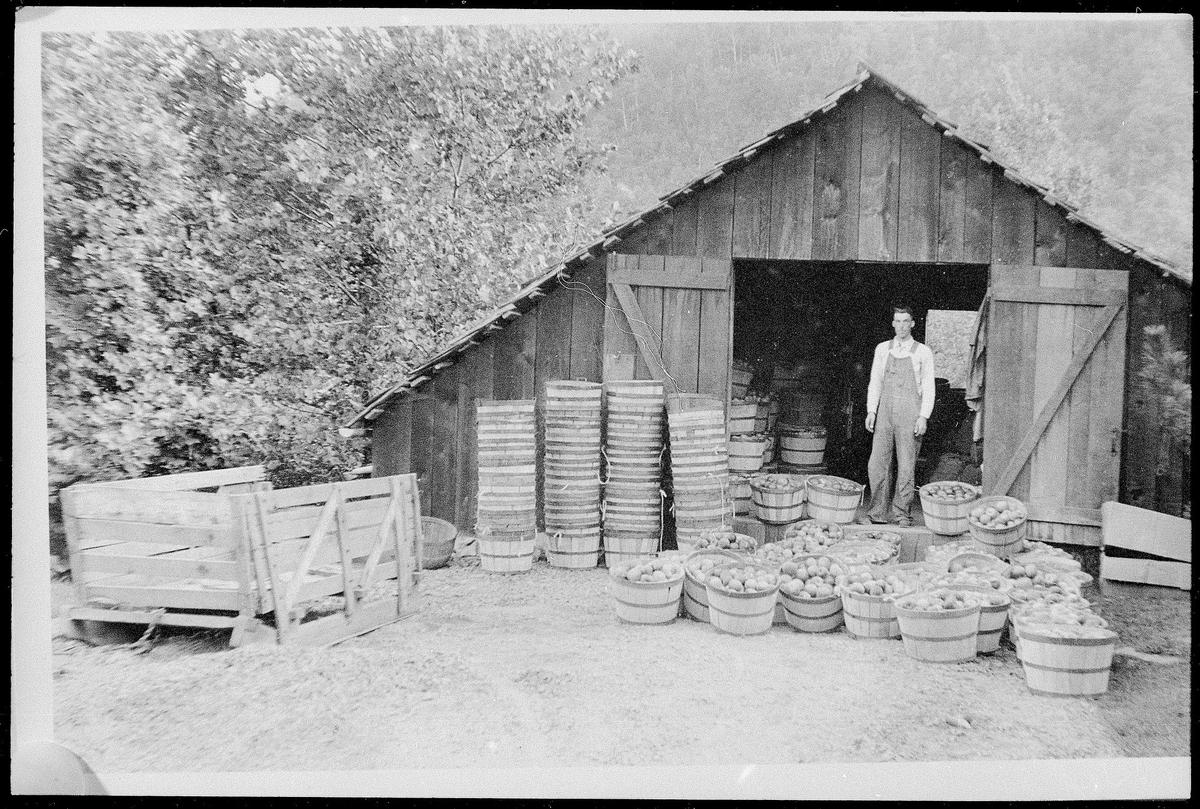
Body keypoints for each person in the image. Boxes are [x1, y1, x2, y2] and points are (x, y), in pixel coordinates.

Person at [858, 305, 936, 526]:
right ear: (893, 323)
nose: (901, 326)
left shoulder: (923, 352)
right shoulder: (883, 349)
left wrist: (923, 416)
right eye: (897, 321)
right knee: (877, 463)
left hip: (910, 412)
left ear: (912, 323)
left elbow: (929, 387)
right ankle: (877, 513)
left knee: (906, 464)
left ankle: (902, 513)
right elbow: (876, 382)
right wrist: (871, 410)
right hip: (885, 412)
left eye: (905, 321)